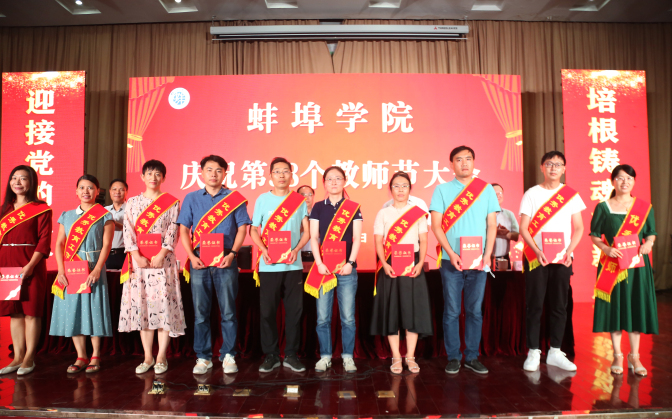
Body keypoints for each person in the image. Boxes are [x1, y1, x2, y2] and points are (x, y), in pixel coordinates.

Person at [177, 155, 251, 375]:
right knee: (200, 313)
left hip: (226, 259)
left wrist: (233, 254)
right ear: (201, 172)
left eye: (219, 170)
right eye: (209, 169)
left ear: (225, 173)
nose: (214, 174)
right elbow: (184, 230)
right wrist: (191, 256)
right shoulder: (191, 198)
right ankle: (203, 357)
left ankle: (229, 355)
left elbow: (242, 228)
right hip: (199, 260)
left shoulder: (234, 198)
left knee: (228, 311)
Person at [429, 146, 500, 375]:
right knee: (451, 311)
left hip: (479, 261)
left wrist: (487, 254)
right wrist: (451, 253)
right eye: (459, 160)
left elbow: (492, 225)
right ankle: (453, 357)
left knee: (474, 311)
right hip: (451, 261)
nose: (464, 163)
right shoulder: (442, 190)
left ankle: (471, 357)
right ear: (451, 164)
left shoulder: (485, 189)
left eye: (468, 159)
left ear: (474, 162)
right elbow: (436, 226)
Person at [519, 151, 585, 372]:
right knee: (535, 304)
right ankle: (533, 351)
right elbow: (524, 228)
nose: (553, 168)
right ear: (542, 167)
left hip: (562, 258)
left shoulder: (571, 195)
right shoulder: (532, 194)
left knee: (559, 304)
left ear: (564, 169)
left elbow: (579, 228)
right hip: (536, 258)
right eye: (549, 164)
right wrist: (537, 250)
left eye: (558, 164)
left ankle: (555, 351)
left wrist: (569, 251)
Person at [118, 159, 185, 375]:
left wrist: (162, 253)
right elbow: (128, 230)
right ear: (142, 176)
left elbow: (173, 230)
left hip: (163, 263)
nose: (153, 177)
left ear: (163, 178)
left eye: (158, 174)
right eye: (149, 173)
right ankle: (147, 357)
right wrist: (136, 255)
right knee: (143, 308)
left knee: (163, 308)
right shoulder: (132, 202)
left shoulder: (172, 203)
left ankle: (161, 356)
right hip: (139, 264)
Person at [590, 164, 657, 377]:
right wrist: (606, 248)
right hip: (613, 265)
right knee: (615, 309)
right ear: (613, 181)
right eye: (620, 178)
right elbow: (594, 235)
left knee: (636, 306)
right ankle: (618, 355)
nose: (624, 182)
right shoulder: (603, 207)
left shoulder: (644, 208)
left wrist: (649, 244)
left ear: (634, 181)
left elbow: (651, 232)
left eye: (629, 178)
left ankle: (634, 356)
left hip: (637, 266)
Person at [250, 157, 310, 373]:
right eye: (277, 171)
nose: (282, 175)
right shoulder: (262, 200)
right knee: (267, 312)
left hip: (293, 266)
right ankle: (271, 355)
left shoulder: (298, 201)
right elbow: (254, 229)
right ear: (271, 176)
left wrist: (296, 250)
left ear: (291, 175)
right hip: (269, 266)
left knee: (294, 312)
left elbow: (306, 232)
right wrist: (263, 249)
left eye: (286, 171)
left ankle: (291, 355)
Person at [50, 175, 114, 373]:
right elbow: (59, 244)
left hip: (94, 268)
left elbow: (107, 245)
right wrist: (61, 269)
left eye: (90, 188)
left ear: (97, 191)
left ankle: (95, 355)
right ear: (76, 191)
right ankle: (81, 356)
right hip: (71, 269)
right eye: (82, 188)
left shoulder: (105, 215)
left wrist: (97, 269)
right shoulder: (66, 216)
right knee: (73, 311)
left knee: (95, 309)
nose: (86, 191)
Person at [371, 172, 432, 374]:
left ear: (410, 189)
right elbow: (378, 241)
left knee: (412, 311)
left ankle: (410, 357)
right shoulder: (383, 213)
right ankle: (396, 357)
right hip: (390, 265)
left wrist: (421, 262)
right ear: (390, 189)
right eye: (396, 186)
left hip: (413, 264)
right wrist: (384, 263)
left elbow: (424, 240)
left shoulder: (417, 213)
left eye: (404, 185)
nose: (400, 189)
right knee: (393, 312)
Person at [307, 166, 363, 373]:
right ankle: (325, 356)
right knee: (323, 317)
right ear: (324, 183)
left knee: (347, 317)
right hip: (324, 270)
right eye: (329, 179)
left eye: (338, 178)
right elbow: (314, 237)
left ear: (344, 181)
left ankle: (348, 357)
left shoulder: (353, 207)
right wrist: (319, 263)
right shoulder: (318, 207)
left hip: (346, 270)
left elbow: (357, 238)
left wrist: (350, 263)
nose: (333, 182)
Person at [0, 165, 52, 376]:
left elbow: (44, 240)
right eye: (14, 178)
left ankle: (29, 357)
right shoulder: (4, 210)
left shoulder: (41, 208)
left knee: (31, 312)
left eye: (23, 178)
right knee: (15, 312)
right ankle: (18, 357)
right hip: (6, 263)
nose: (17, 182)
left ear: (32, 182)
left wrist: (30, 266)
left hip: (31, 263)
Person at [492, 183, 520, 263]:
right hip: (486, 258)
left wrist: (506, 234)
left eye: (500, 193)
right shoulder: (482, 214)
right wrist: (494, 231)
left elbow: (517, 236)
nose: (498, 195)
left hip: (504, 259)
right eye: (495, 193)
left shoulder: (509, 214)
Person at [105, 179, 128, 270]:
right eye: (114, 189)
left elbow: (134, 230)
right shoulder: (104, 211)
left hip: (125, 254)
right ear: (110, 191)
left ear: (126, 192)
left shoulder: (131, 210)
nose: (117, 192)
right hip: (106, 255)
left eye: (121, 189)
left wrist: (114, 223)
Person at [297, 185, 315, 262]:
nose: (307, 198)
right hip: (297, 255)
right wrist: (303, 228)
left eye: (310, 194)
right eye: (303, 195)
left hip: (315, 256)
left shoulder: (320, 214)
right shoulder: (293, 216)